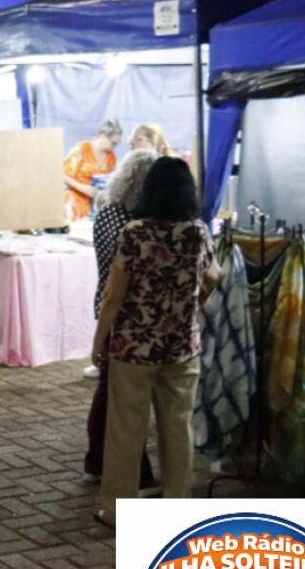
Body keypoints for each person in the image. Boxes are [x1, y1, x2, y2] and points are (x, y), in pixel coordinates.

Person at [92, 158, 220, 528]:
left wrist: (99, 340)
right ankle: (178, 506)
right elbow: (214, 275)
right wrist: (193, 303)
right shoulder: (197, 232)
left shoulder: (134, 233)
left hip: (134, 347)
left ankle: (116, 509)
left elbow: (113, 296)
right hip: (182, 346)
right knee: (177, 428)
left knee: (126, 431)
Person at [82, 149, 159, 488]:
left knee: (109, 391)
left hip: (111, 307)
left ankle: (97, 460)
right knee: (124, 399)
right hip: (125, 314)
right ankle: (130, 471)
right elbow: (127, 272)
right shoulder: (128, 223)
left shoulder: (109, 212)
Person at [62, 119, 122, 222]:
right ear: (103, 136)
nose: (114, 147)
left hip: (97, 204)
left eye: (116, 144)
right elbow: (62, 175)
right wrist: (82, 188)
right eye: (112, 143)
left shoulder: (112, 157)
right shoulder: (81, 149)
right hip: (75, 201)